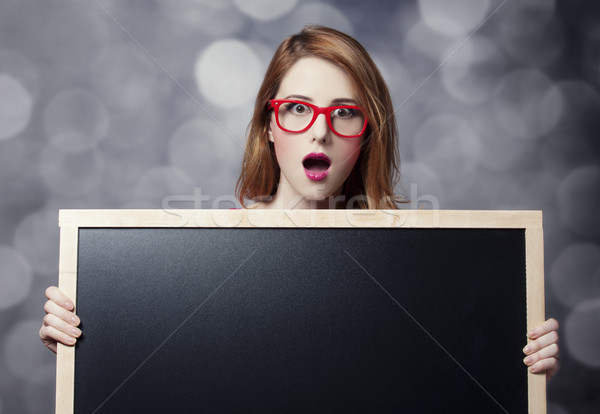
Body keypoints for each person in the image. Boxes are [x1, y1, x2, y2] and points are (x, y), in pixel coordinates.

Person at [40, 25, 560, 380]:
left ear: (367, 133)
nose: (320, 133)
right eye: (296, 109)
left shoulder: (420, 274)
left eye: (345, 113)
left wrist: (517, 365)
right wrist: (86, 341)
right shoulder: (191, 268)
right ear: (269, 126)